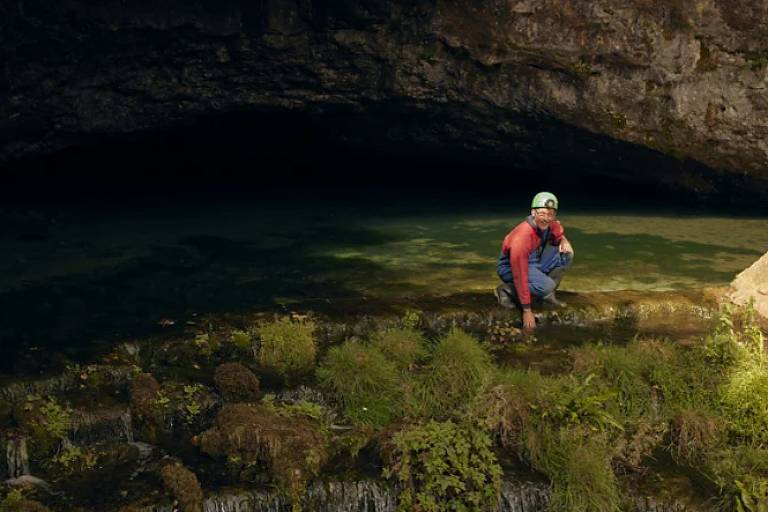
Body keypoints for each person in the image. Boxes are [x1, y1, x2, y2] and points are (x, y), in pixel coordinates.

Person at [495, 192, 574, 330]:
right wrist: (526, 310)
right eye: (542, 214)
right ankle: (507, 290)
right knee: (546, 286)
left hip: (535, 260)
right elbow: (520, 274)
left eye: (550, 215)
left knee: (567, 255)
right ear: (533, 212)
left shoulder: (551, 224)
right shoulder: (522, 237)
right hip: (511, 267)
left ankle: (547, 296)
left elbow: (558, 232)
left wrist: (564, 240)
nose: (546, 219)